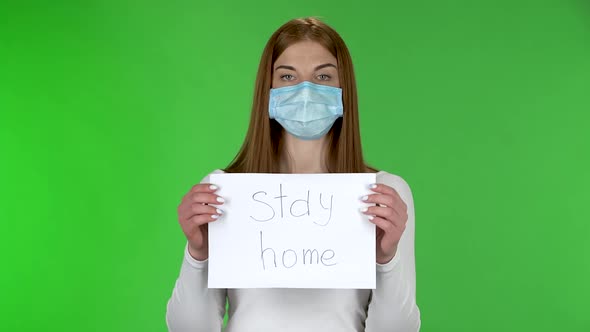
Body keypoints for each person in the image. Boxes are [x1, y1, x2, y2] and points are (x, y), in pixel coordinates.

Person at [166, 17, 421, 331]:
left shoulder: (384, 193)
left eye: (323, 76)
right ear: (268, 90)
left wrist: (387, 260)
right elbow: (187, 329)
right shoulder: (223, 192)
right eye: (288, 76)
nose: (305, 91)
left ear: (344, 91)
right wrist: (198, 255)